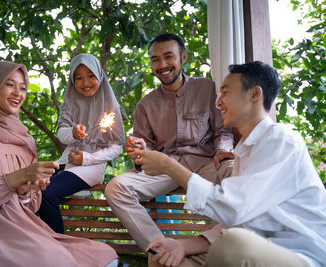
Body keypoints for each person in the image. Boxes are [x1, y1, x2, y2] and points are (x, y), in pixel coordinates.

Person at [0, 61, 118, 267]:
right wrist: (15, 179)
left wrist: (26, 191)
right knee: (54, 260)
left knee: (104, 254)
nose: (18, 93)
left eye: (23, 87)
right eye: (9, 84)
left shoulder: (24, 139)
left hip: (21, 227)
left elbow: (32, 205)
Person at [135, 61, 326, 267]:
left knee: (230, 246)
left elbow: (234, 209)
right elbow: (236, 223)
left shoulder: (280, 139)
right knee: (162, 257)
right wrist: (182, 246)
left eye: (225, 93)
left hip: (298, 255)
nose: (218, 102)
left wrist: (169, 166)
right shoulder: (244, 150)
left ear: (255, 94)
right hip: (247, 247)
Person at [105, 33, 235, 251]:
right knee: (116, 188)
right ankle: (160, 250)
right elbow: (144, 149)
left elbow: (224, 130)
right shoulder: (146, 105)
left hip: (204, 164)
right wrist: (140, 151)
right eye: (155, 59)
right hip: (164, 169)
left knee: (233, 173)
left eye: (168, 57)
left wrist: (223, 150)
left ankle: (216, 251)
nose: (162, 65)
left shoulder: (208, 89)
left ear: (183, 57)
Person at [37, 53, 124, 234]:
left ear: (99, 75)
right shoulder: (70, 103)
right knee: (35, 185)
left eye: (91, 76)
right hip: (67, 161)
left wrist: (87, 158)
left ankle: (58, 248)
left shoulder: (110, 106)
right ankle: (39, 243)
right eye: (79, 78)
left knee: (47, 193)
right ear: (72, 81)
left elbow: (117, 145)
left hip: (92, 167)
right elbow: (62, 133)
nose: (86, 83)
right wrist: (73, 133)